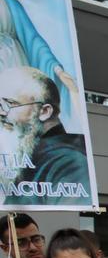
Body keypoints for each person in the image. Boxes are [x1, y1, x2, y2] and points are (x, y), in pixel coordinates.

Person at [0, 66, 88, 205]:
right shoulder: (30, 155)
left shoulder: (69, 162)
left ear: (44, 111)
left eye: (10, 103)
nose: (2, 113)